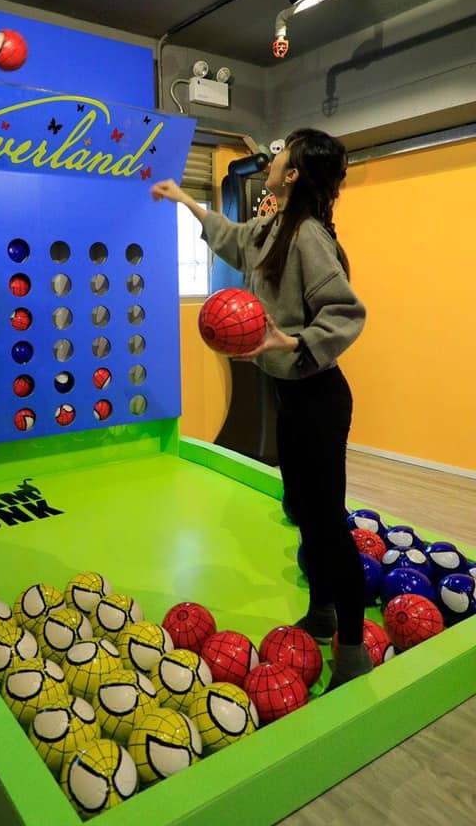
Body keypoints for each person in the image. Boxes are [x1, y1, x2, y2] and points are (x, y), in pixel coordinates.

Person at [151, 128, 371, 691]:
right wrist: (184, 199)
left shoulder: (308, 237)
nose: (273, 159)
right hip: (291, 396)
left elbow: (345, 312)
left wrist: (292, 341)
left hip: (319, 398)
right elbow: (233, 237)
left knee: (327, 522)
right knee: (303, 510)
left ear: (293, 174)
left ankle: (352, 652)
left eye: (282, 154)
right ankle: (322, 612)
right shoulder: (277, 226)